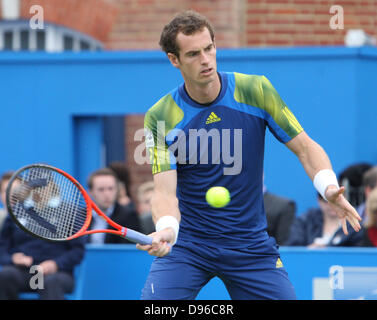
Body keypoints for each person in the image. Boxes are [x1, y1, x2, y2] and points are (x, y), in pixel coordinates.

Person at [136, 10, 361, 300]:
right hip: (189, 246)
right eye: (193, 54)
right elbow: (164, 191)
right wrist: (167, 228)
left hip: (250, 245)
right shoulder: (160, 116)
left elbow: (305, 147)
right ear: (174, 59)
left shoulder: (256, 90)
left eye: (209, 48)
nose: (205, 60)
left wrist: (328, 187)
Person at [0, 175, 85, 300]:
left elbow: (78, 251)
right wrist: (13, 258)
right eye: (34, 185)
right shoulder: (16, 212)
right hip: (24, 273)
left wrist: (56, 264)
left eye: (43, 185)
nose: (38, 190)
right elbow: (2, 248)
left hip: (56, 274)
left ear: (52, 186)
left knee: (50, 283)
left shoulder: (71, 212)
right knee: (5, 275)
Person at [284, 193, 363, 247]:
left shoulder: (354, 223)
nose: (331, 205)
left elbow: (358, 252)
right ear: (318, 201)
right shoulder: (305, 220)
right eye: (326, 201)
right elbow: (293, 247)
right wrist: (308, 251)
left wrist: (328, 250)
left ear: (345, 199)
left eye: (335, 200)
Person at [87, 168, 141, 244]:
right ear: (91, 192)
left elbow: (129, 249)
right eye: (101, 189)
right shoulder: (80, 217)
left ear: (117, 190)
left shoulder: (129, 216)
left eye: (110, 189)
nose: (107, 194)